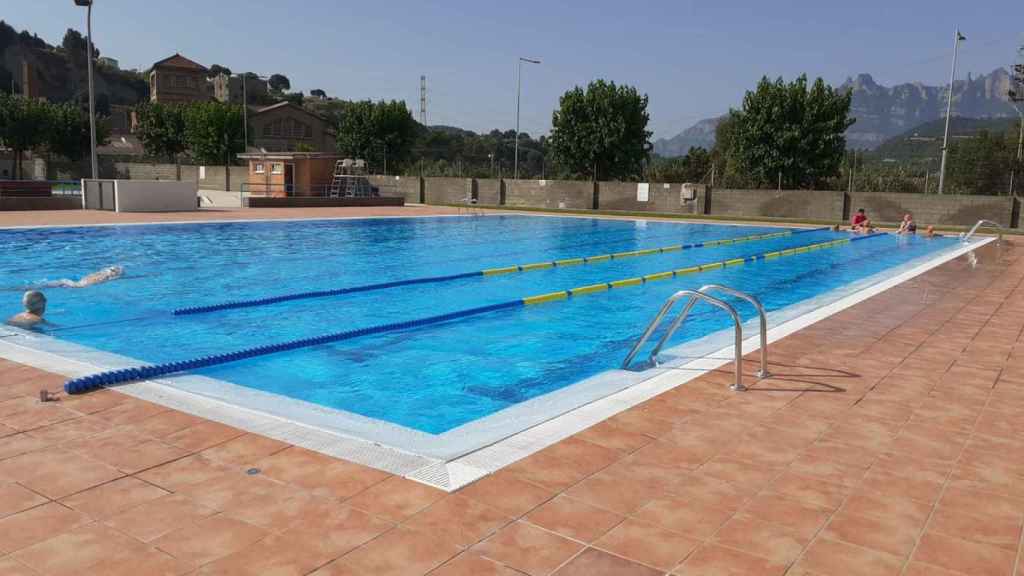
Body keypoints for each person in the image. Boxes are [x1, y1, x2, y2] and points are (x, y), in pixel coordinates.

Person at [43, 265, 124, 289]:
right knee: (51, 285)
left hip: (74, 283)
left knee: (47, 285)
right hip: (77, 285)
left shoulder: (100, 273)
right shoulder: (106, 277)